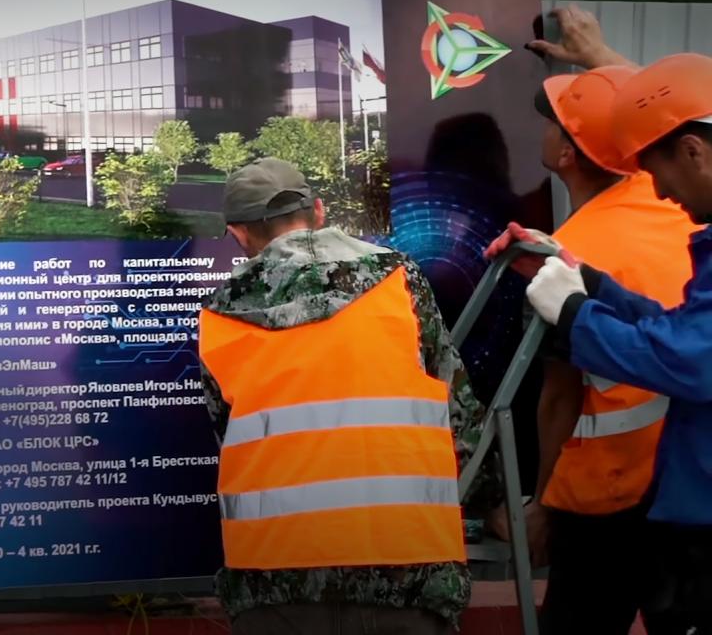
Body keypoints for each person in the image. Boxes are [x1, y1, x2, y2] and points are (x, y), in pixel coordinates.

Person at [198, 158, 501, 635]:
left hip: (275, 584)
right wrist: (494, 503)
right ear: (318, 212)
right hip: (405, 574)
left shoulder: (220, 311)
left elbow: (227, 434)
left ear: (238, 234)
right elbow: (457, 411)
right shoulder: (398, 280)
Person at [486, 66, 700, 634]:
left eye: (551, 123)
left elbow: (560, 399)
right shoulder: (675, 210)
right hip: (679, 484)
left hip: (606, 495)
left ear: (565, 153)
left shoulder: (580, 246)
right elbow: (679, 326)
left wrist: (540, 506)